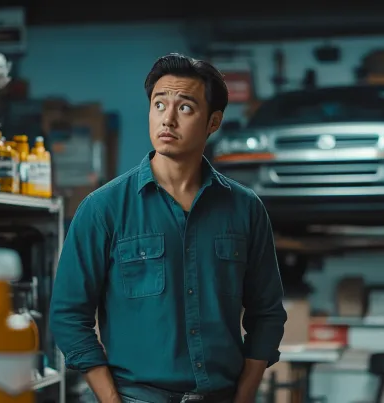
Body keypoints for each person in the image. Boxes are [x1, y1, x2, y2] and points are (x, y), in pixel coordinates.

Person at [50, 53, 287, 403]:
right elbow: (69, 316)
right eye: (159, 105)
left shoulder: (245, 208)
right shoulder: (104, 209)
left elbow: (266, 313)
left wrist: (245, 395)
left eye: (186, 108)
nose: (168, 119)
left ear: (213, 122)